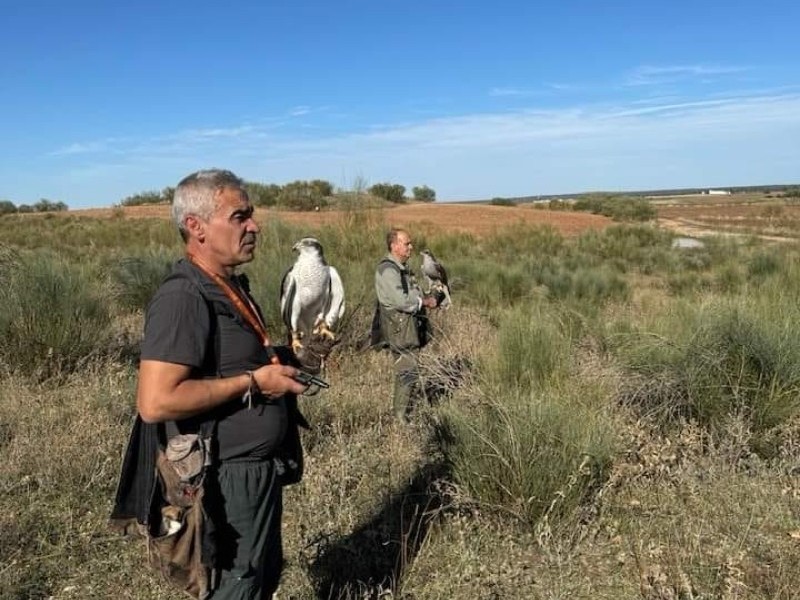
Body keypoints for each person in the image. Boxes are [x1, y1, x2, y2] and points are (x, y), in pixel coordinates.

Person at [114, 169, 308, 599]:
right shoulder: (183, 297)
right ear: (196, 227)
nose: (254, 226)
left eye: (251, 215)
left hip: (257, 472)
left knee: (257, 579)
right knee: (235, 587)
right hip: (223, 478)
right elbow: (156, 401)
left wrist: (279, 357)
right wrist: (255, 381)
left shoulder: (227, 285)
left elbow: (223, 361)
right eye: (240, 216)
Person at [373, 228, 443, 421]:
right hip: (399, 328)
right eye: (407, 243)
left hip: (405, 326)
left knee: (406, 370)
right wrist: (425, 302)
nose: (411, 247)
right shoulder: (388, 269)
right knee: (408, 371)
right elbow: (401, 302)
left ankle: (399, 414)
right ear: (394, 246)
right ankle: (400, 419)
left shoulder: (402, 268)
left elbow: (413, 295)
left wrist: (431, 296)